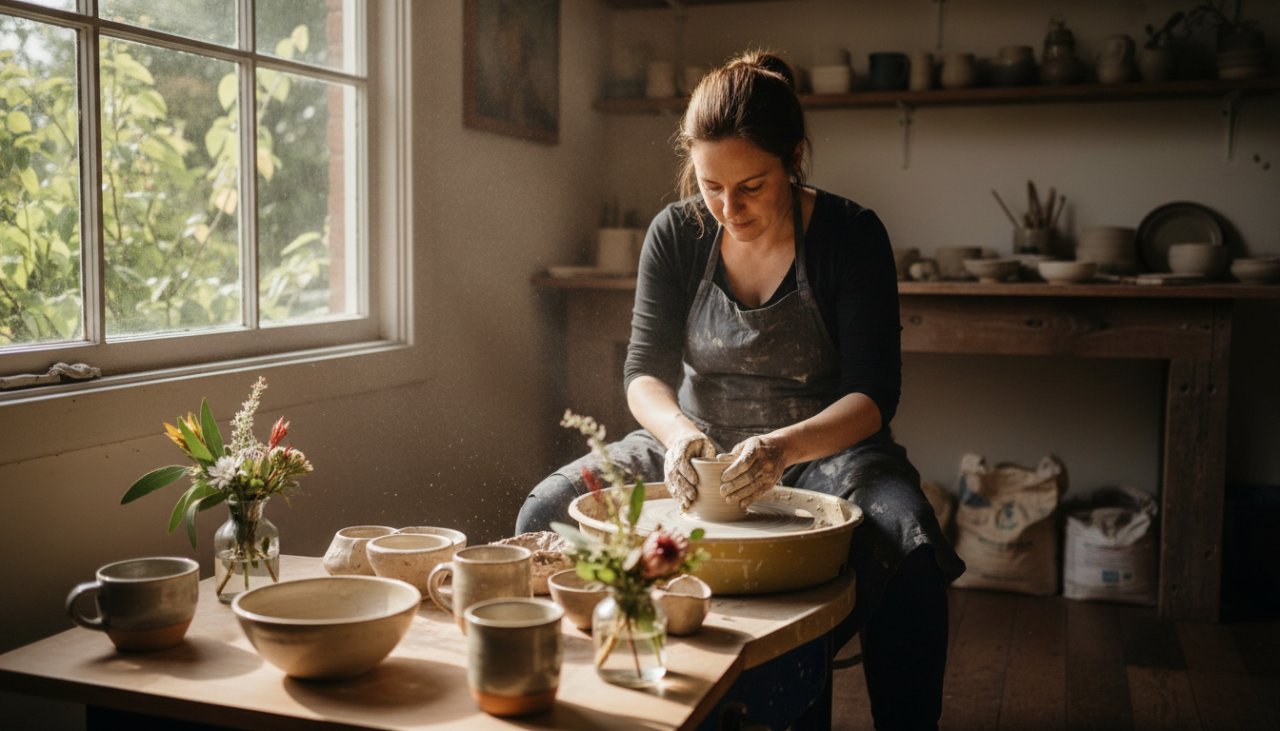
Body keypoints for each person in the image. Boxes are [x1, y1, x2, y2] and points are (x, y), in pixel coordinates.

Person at [516, 49, 964, 730]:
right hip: (690, 440)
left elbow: (876, 393)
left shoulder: (850, 235)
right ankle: (596, 706)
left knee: (912, 551)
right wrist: (677, 436)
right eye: (710, 186)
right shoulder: (676, 233)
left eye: (751, 185)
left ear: (795, 157)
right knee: (544, 516)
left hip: (826, 448)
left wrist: (781, 448)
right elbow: (642, 373)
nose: (729, 207)